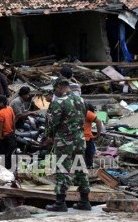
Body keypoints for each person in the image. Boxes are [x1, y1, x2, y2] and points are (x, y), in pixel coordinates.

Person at [45, 77, 90, 212]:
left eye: (55, 89)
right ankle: (84, 201)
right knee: (81, 168)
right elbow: (84, 117)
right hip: (80, 141)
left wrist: (49, 136)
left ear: (59, 87)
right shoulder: (81, 100)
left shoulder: (59, 102)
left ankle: (60, 203)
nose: (54, 92)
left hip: (64, 141)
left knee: (62, 169)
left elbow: (53, 123)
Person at [0, 95, 16, 169]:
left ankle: (0, 171)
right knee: (6, 155)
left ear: (1, 103)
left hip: (0, 138)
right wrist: (13, 133)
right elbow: (13, 122)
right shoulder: (9, 109)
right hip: (8, 136)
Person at [84, 104, 103, 169]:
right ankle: (89, 170)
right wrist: (98, 135)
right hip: (87, 138)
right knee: (89, 156)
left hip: (78, 138)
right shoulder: (87, 113)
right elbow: (98, 121)